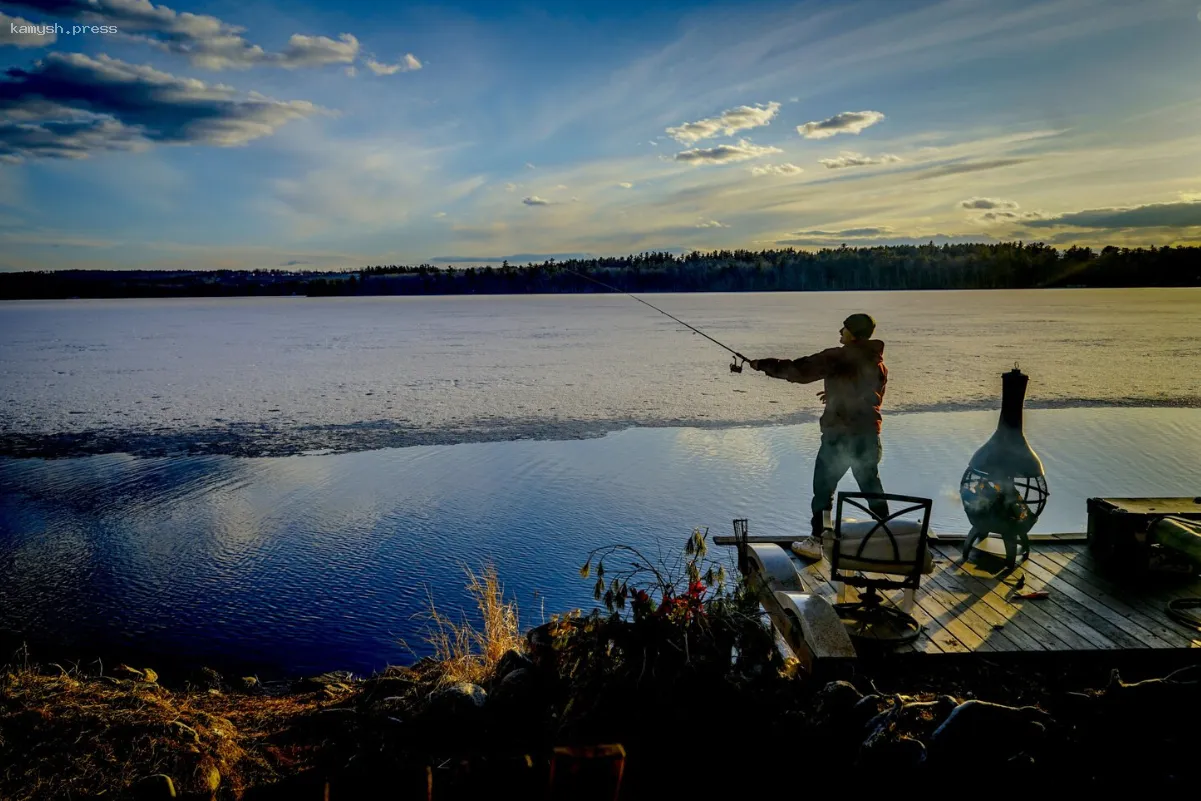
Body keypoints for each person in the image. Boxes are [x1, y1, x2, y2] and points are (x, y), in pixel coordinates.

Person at [749, 313, 888, 560]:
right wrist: (835, 396)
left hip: (840, 438)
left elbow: (799, 370)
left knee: (823, 489)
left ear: (853, 334)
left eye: (844, 328)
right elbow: (868, 394)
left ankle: (817, 541)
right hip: (868, 436)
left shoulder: (838, 357)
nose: (840, 331)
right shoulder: (878, 362)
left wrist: (762, 364)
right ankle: (889, 536)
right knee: (871, 487)